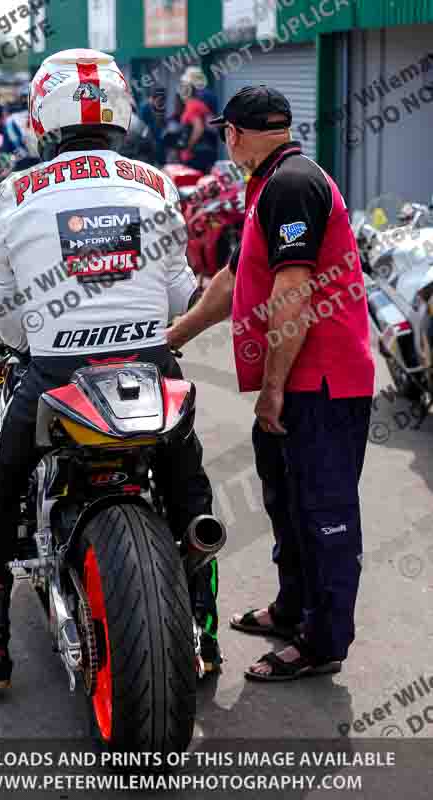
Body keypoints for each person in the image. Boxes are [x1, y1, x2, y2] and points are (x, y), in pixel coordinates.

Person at [0, 48, 221, 692]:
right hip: (151, 368)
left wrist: (30, 335)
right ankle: (204, 638)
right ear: (121, 111)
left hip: (56, 374)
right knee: (188, 490)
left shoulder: (16, 191)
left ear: (42, 115)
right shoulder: (158, 183)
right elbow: (182, 294)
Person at [168, 86, 375, 681]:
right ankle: (292, 610)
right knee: (286, 502)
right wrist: (171, 338)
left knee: (323, 514)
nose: (227, 143)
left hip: (322, 384)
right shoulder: (269, 187)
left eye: (226, 134)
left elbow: (293, 291)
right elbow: (232, 281)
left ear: (234, 133)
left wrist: (274, 387)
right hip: (301, 381)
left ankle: (322, 642)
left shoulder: (292, 184)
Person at [178, 67, 219, 174]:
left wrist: (188, 147)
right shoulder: (209, 95)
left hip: (197, 151)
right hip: (210, 146)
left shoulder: (196, 102)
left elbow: (199, 128)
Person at [139, 87, 167, 166]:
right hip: (150, 139)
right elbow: (144, 125)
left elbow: (161, 122)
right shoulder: (145, 107)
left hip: (158, 138)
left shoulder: (160, 106)